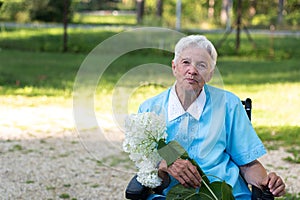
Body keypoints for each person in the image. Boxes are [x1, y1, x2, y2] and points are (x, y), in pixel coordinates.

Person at [137, 35, 286, 199]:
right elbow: (146, 165)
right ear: (174, 67)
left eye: (201, 65)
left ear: (210, 74)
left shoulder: (229, 105)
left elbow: (248, 164)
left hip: (226, 194)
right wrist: (166, 164)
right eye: (186, 62)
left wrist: (266, 182)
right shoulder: (149, 109)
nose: (192, 70)